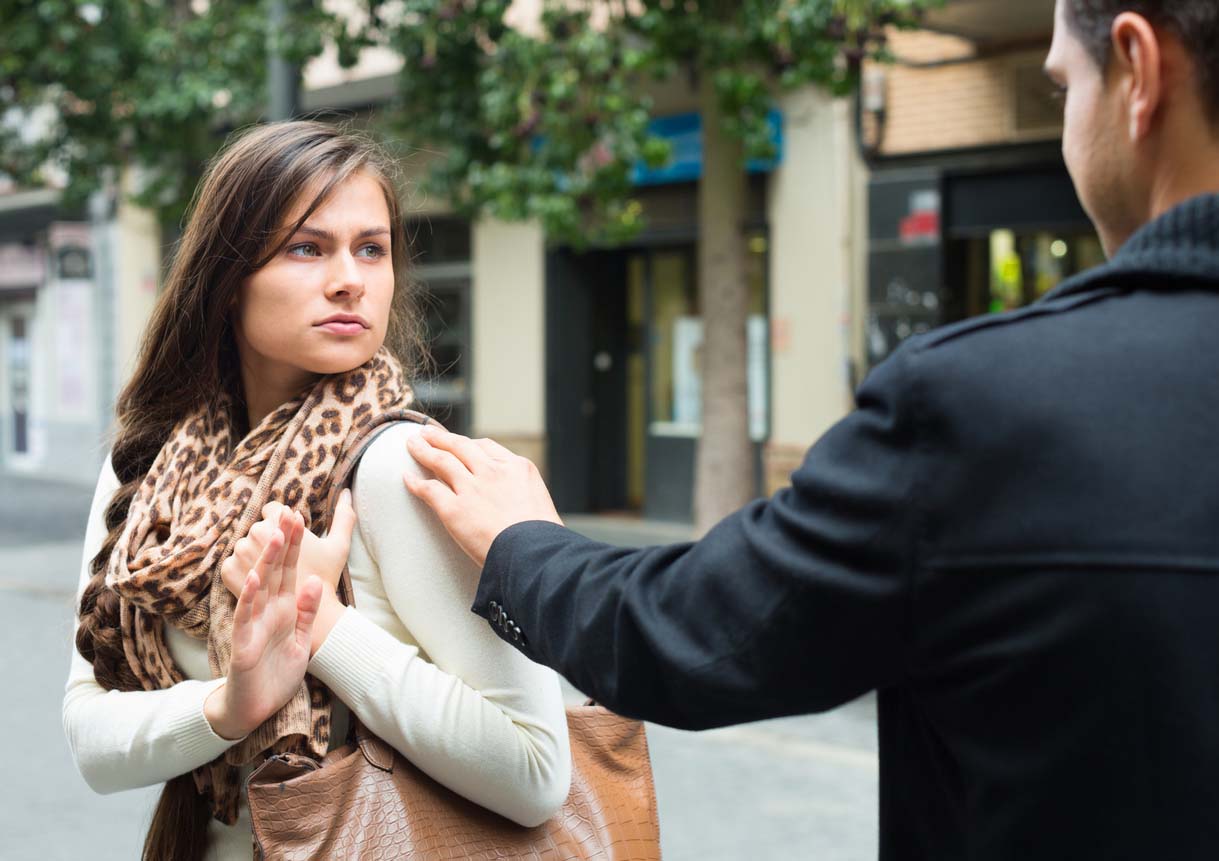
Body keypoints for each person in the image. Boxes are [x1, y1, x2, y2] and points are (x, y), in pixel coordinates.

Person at [396, 2, 1219, 858]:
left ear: (1136, 70)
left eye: (1060, 88)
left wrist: (520, 545)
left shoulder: (983, 407)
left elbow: (694, 634)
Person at [63, 121, 570, 861]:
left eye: (372, 247)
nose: (350, 279)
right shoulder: (145, 470)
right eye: (307, 247)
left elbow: (535, 770)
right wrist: (229, 706)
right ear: (226, 279)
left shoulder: (400, 468)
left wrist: (324, 627)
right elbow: (91, 737)